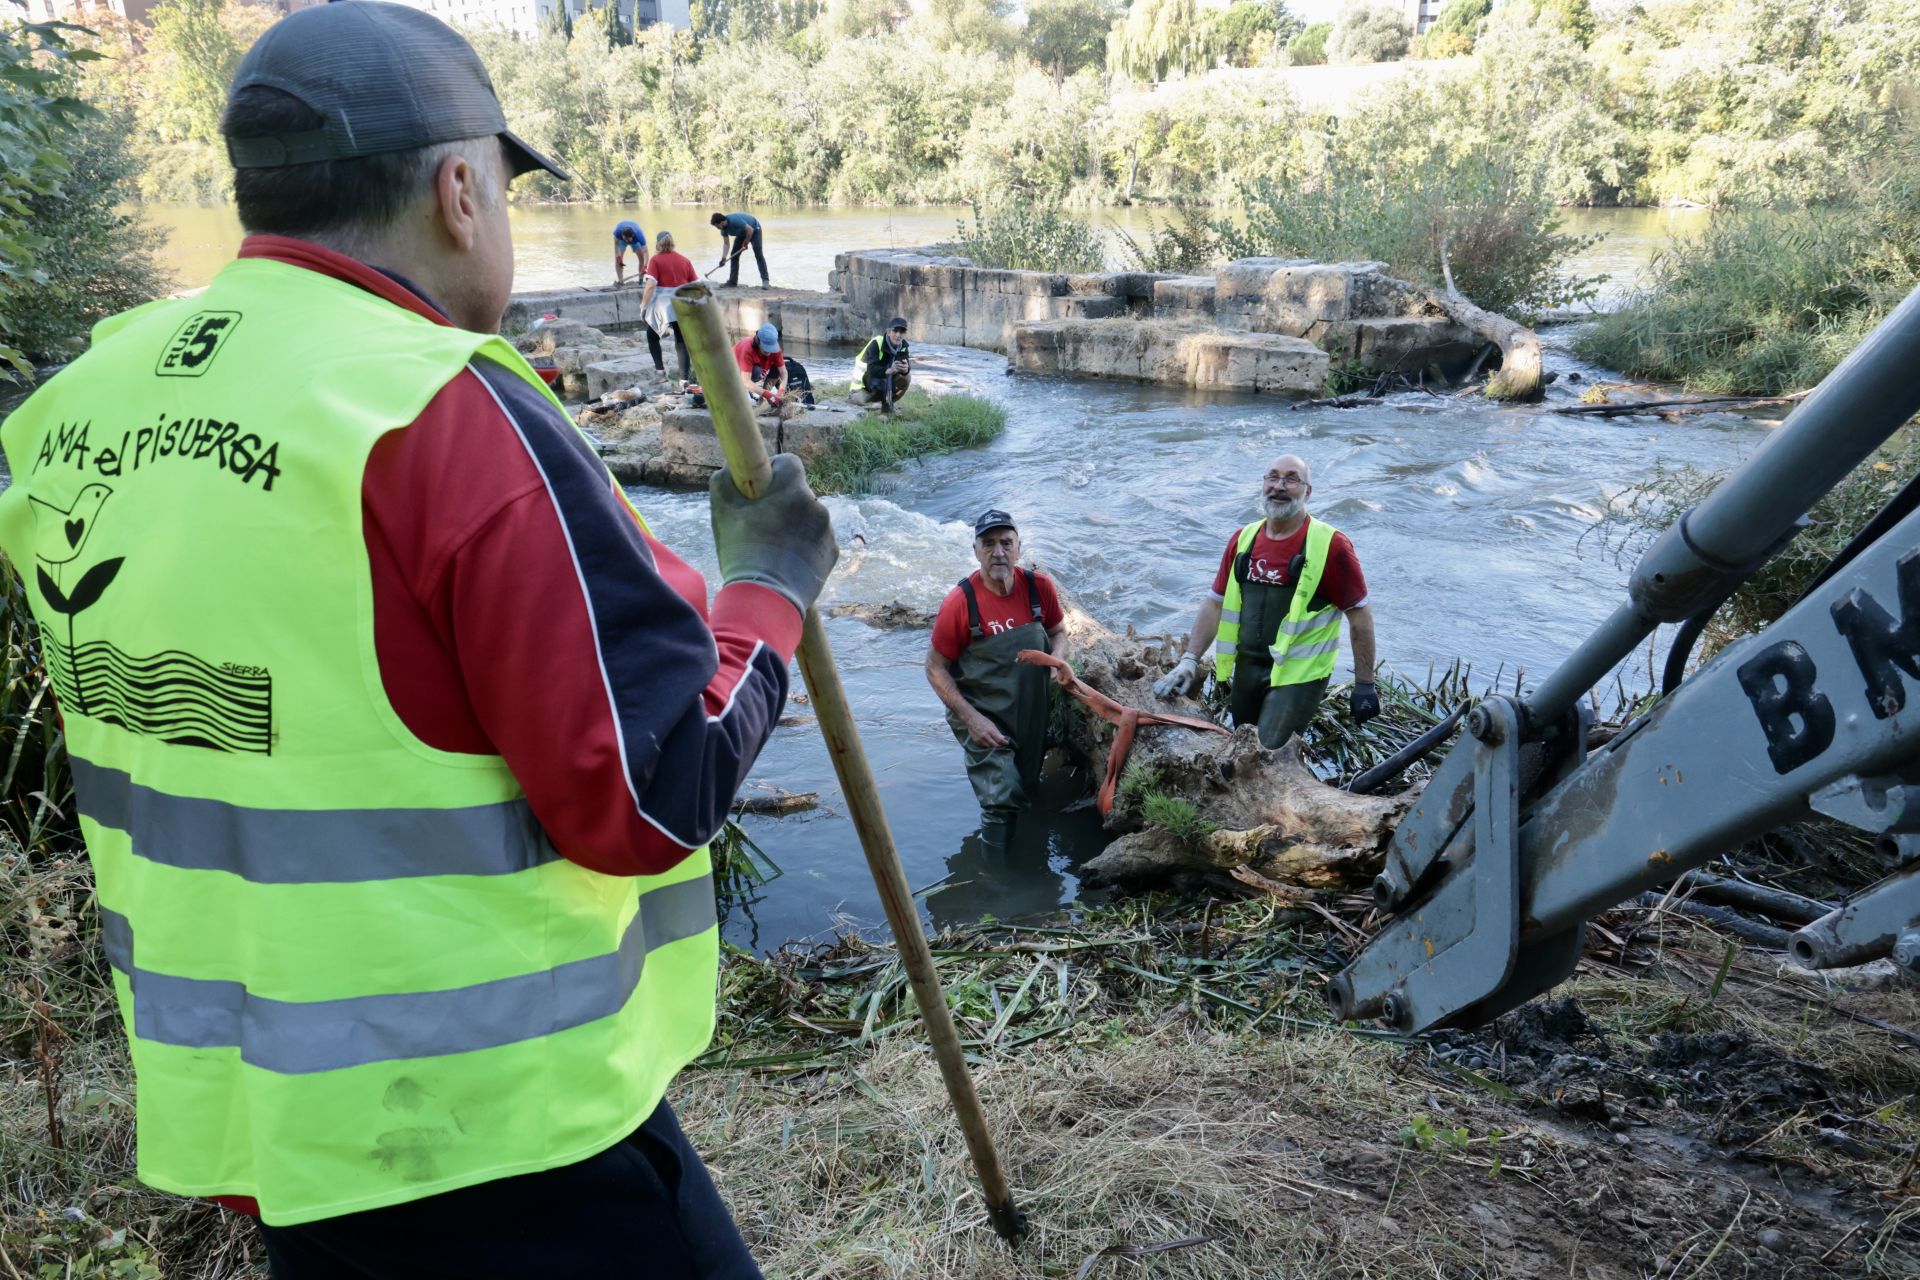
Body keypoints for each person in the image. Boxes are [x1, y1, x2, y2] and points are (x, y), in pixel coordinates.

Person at [0, 5, 837, 1276]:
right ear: (460, 187)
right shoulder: (439, 410)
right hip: (501, 1129)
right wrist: (766, 588)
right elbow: (651, 792)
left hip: (280, 1118)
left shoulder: (83, 401)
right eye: (501, 185)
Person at [1152, 454, 1378, 748]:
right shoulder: (1243, 539)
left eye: (1292, 479)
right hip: (1247, 670)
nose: (1279, 486)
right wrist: (1189, 661)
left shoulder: (1331, 546)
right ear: (1263, 485)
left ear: (1308, 492)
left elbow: (1360, 616)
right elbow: (1215, 603)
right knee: (1241, 748)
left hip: (1298, 676)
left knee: (1266, 753)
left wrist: (1364, 684)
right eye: (1272, 477)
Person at [924, 510, 1066, 831]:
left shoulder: (1039, 588)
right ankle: (993, 877)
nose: (998, 552)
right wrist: (972, 720)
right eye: (988, 544)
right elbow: (934, 668)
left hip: (1030, 709)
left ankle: (1031, 855)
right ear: (975, 551)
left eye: (1005, 543)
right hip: (979, 711)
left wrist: (1058, 662)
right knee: (1000, 800)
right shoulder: (960, 602)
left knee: (1027, 786)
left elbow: (1058, 633)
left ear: (1019, 547)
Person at [641, 228, 697, 385]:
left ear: (657, 244)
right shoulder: (684, 260)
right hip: (682, 305)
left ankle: (660, 373)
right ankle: (684, 381)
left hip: (663, 308)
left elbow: (651, 285)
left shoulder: (655, 260)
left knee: (652, 336)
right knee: (681, 342)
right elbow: (695, 285)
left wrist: (643, 306)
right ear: (673, 243)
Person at [850, 316, 911, 413]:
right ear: (888, 332)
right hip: (863, 386)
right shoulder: (877, 343)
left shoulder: (903, 347)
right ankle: (878, 403)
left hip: (882, 384)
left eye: (902, 332)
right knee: (862, 401)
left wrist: (906, 369)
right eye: (895, 331)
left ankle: (887, 401)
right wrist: (889, 370)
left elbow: (906, 367)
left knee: (907, 376)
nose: (898, 335)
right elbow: (872, 369)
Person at [709, 210, 767, 289]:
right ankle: (733, 282)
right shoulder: (723, 230)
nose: (717, 228)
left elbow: (750, 230)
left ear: (721, 222)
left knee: (758, 254)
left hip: (754, 228)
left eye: (717, 226)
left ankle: (765, 281)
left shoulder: (734, 220)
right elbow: (726, 244)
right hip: (742, 233)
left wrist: (745, 243)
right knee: (734, 255)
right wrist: (723, 258)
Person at [734, 322, 787, 403]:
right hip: (733, 373)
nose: (769, 352)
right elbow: (746, 381)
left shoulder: (775, 349)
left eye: (771, 349)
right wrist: (768, 395)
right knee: (756, 371)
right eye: (766, 349)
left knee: (776, 369)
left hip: (753, 374)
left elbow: (784, 373)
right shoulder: (747, 350)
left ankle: (762, 401)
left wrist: (781, 391)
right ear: (758, 341)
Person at [613, 218, 647, 284]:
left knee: (642, 259)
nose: (627, 241)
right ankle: (621, 281)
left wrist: (645, 266)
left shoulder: (639, 235)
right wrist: (618, 257)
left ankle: (640, 281)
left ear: (632, 236)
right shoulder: (618, 232)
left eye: (628, 240)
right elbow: (616, 245)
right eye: (625, 239)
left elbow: (645, 252)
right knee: (618, 261)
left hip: (635, 241)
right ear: (622, 235)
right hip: (621, 241)